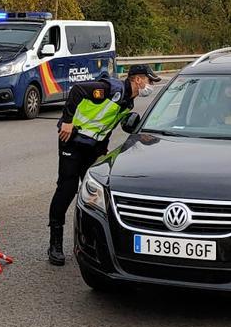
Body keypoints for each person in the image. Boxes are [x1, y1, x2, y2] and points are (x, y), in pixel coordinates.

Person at [48, 64, 161, 266]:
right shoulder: (111, 89)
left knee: (93, 193)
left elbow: (106, 126)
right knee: (67, 189)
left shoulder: (128, 103)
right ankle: (54, 244)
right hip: (72, 140)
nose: (150, 85)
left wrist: (102, 152)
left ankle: (88, 242)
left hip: (92, 147)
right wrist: (67, 120)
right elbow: (77, 90)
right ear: (137, 79)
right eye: (149, 80)